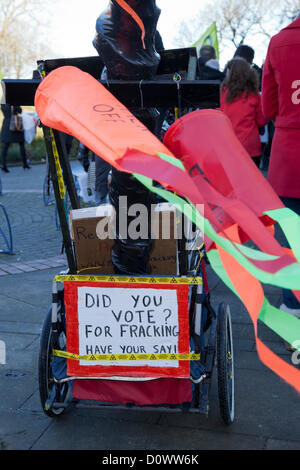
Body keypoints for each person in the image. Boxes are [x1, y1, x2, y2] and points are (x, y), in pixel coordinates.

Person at [262, 15, 300, 338]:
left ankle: (293, 304)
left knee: (289, 236)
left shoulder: (278, 42)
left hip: (288, 153)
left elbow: (269, 107)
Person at [220, 57, 267, 168]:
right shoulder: (254, 94)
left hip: (226, 147)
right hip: (250, 148)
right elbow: (261, 121)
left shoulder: (221, 93)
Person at [0, 104, 30, 172]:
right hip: (16, 124)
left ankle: (3, 164)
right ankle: (25, 163)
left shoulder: (3, 104)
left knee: (5, 146)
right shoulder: (13, 101)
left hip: (6, 125)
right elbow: (20, 110)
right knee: (21, 145)